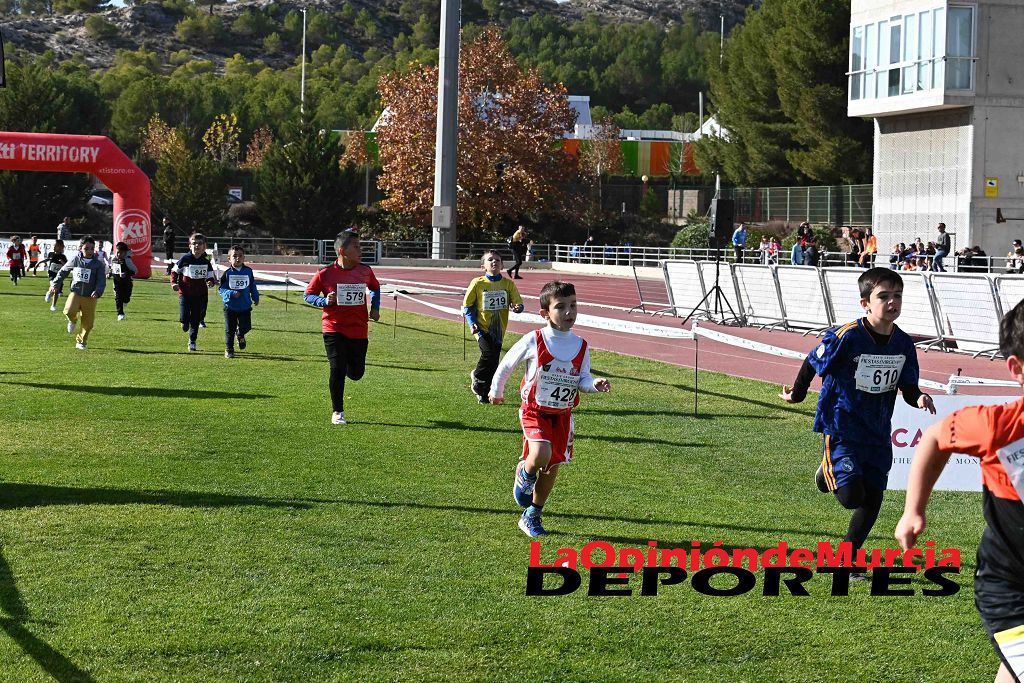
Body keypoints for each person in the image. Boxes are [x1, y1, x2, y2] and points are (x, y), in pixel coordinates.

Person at [896, 300, 1024, 683]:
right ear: (1017, 369)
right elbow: (934, 438)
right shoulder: (998, 427)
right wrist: (913, 510)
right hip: (1010, 589)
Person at [779, 267, 935, 574]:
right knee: (852, 498)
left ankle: (847, 559)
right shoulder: (847, 336)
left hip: (877, 431)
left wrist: (918, 397)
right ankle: (828, 472)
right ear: (865, 303)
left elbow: (907, 386)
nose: (893, 302)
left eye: (897, 296)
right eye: (884, 296)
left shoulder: (903, 343)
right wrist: (797, 395)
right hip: (842, 425)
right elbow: (813, 361)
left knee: (874, 494)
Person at [489, 281, 611, 538]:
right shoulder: (534, 339)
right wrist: (496, 391)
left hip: (563, 417)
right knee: (541, 451)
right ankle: (525, 472)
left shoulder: (581, 345)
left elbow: (583, 379)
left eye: (573, 305)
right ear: (545, 313)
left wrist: (594, 384)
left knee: (552, 466)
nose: (570, 312)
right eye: (561, 307)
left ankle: (532, 514)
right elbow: (507, 364)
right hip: (535, 411)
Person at [303, 229, 381, 425]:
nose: (360, 250)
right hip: (333, 328)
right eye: (356, 247)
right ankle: (338, 411)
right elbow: (307, 295)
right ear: (342, 251)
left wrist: (375, 308)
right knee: (336, 369)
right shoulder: (325, 273)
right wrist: (324, 301)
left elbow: (375, 288)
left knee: (356, 374)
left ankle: (346, 363)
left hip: (358, 329)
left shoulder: (365, 270)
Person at [462, 250, 524, 404]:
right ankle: (477, 376)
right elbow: (467, 306)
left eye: (497, 260)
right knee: (488, 354)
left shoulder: (508, 284)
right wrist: (472, 322)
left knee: (494, 362)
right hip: (482, 327)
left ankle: (483, 393)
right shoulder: (478, 283)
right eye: (490, 260)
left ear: (502, 265)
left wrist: (518, 307)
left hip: (499, 329)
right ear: (484, 266)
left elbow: (518, 303)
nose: (494, 262)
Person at [48, 235, 106, 350]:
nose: (89, 251)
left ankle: (81, 341)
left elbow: (101, 281)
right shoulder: (75, 259)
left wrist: (97, 291)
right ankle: (73, 320)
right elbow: (63, 271)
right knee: (68, 311)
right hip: (76, 292)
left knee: (88, 323)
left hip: (90, 296)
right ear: (81, 248)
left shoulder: (98, 264)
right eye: (86, 248)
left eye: (91, 248)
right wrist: (55, 284)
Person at [171, 233, 218, 352]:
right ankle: (184, 322)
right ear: (189, 246)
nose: (197, 246)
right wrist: (174, 283)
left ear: (204, 246)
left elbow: (210, 276)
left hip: (200, 294)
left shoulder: (206, 261)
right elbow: (174, 271)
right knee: (184, 317)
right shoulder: (185, 259)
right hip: (185, 293)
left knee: (196, 319)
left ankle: (192, 341)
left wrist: (210, 282)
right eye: (194, 243)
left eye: (200, 244)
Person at [218, 245, 260, 359]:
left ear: (244, 257)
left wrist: (256, 297)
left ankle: (240, 333)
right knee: (229, 330)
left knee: (246, 327)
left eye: (240, 256)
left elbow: (252, 286)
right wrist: (231, 293)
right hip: (230, 307)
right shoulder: (227, 274)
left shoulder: (248, 271)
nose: (238, 258)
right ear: (229, 259)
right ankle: (229, 349)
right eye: (234, 256)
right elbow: (221, 290)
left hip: (245, 306)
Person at [109, 241, 137, 321]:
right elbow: (112, 269)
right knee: (118, 297)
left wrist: (126, 273)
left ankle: (124, 303)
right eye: (117, 252)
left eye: (121, 253)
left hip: (127, 283)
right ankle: (120, 313)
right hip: (117, 283)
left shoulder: (127, 260)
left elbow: (135, 271)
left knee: (126, 298)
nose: (118, 255)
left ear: (125, 253)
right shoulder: (114, 259)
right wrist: (110, 273)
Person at [40, 240, 68, 312]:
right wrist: (39, 263)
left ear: (60, 247)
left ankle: (53, 303)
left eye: (55, 245)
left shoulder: (63, 257)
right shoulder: (51, 254)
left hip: (59, 275)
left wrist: (62, 262)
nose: (54, 247)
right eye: (53, 245)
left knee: (56, 290)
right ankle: (51, 301)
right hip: (51, 274)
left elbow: (66, 266)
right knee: (55, 287)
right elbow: (47, 259)